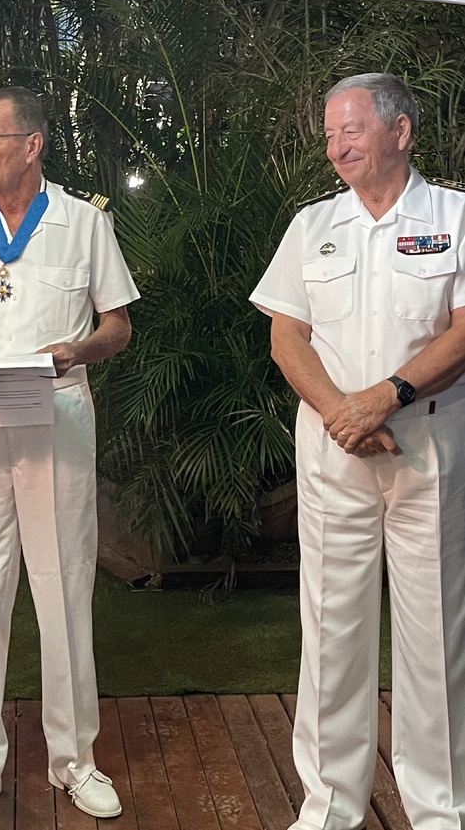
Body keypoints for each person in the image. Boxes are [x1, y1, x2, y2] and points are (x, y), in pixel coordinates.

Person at [0, 87, 139, 830]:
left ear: (31, 142)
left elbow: (118, 326)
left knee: (64, 581)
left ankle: (76, 760)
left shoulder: (84, 223)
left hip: (57, 410)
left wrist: (78, 348)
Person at [250, 72, 465, 830]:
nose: (334, 144)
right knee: (330, 627)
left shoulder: (454, 215)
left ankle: (439, 810)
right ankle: (329, 804)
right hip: (334, 451)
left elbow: (462, 328)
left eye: (350, 129)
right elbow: (285, 334)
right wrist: (344, 411)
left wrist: (387, 396)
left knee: (434, 634)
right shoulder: (313, 224)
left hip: (426, 446)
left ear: (399, 132)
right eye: (330, 132)